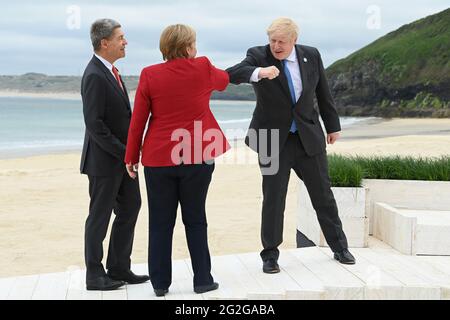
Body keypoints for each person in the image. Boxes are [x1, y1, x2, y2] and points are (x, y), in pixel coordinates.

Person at [226, 17, 355, 274]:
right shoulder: (258, 55)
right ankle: (270, 255)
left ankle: (339, 247)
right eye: (272, 40)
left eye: (281, 41)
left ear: (294, 40)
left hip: (308, 137)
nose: (276, 46)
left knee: (323, 195)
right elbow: (232, 74)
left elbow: (322, 93)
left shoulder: (311, 55)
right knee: (274, 198)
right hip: (272, 140)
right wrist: (260, 72)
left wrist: (333, 126)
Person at [125, 24, 230, 297]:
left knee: (160, 222)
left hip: (159, 158)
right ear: (187, 47)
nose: (196, 48)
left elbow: (138, 121)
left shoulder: (149, 74)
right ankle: (203, 280)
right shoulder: (203, 67)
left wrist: (131, 156)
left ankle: (160, 284)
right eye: (193, 44)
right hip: (197, 156)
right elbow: (224, 81)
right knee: (196, 218)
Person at [80, 18, 149, 291]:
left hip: (122, 160)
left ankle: (119, 266)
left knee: (131, 207)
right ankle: (94, 275)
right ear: (104, 42)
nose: (125, 42)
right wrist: (126, 153)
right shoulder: (95, 74)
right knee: (99, 216)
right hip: (104, 162)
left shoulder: (111, 71)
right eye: (121, 37)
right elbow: (94, 124)